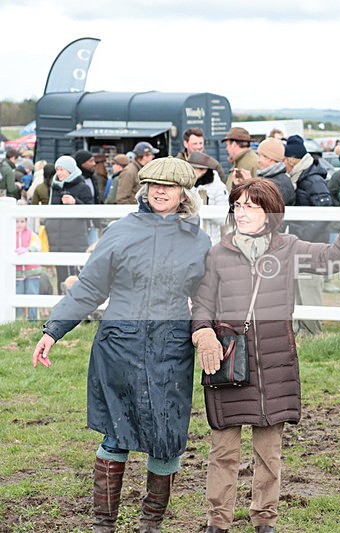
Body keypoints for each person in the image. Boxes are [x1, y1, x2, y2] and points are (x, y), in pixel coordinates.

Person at [31, 157, 212, 532]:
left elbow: (207, 297)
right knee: (116, 433)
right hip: (120, 347)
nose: (160, 191)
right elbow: (89, 288)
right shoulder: (120, 231)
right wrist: (53, 330)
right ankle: (104, 524)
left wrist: (210, 332)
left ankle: (150, 525)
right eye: (154, 185)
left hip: (170, 350)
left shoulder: (198, 241)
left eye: (169, 186)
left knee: (166, 437)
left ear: (184, 193)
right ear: (144, 189)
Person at [191, 178, 340, 533]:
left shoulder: (288, 247)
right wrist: (203, 332)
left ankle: (265, 520)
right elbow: (203, 302)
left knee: (268, 452)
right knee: (223, 450)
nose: (241, 213)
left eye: (251, 206)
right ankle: (218, 522)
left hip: (275, 365)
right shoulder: (217, 253)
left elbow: (331, 259)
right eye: (238, 206)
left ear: (270, 213)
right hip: (229, 362)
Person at [283, 134, 334, 336]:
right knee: (299, 286)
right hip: (303, 242)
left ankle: (313, 331)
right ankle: (303, 329)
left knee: (309, 287)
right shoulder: (302, 177)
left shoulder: (312, 180)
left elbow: (325, 209)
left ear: (291, 160)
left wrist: (303, 237)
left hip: (312, 244)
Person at [46, 156, 94, 292]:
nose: (59, 173)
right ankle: (61, 299)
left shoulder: (83, 187)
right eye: (57, 169)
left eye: (62, 169)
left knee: (77, 271)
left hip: (75, 236)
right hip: (56, 237)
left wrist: (75, 202)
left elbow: (91, 210)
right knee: (60, 272)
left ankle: (77, 300)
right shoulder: (54, 187)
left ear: (70, 170)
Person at [188, 151, 229, 245]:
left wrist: (206, 210)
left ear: (203, 170)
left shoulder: (219, 187)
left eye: (193, 169)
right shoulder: (191, 185)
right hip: (191, 240)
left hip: (211, 240)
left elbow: (224, 218)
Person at [254, 137, 295, 207]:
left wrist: (249, 186)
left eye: (259, 156)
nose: (258, 160)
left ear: (269, 158)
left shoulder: (278, 184)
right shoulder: (274, 178)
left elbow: (262, 206)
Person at [15, 216, 42, 321]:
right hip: (16, 273)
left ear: (26, 222)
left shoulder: (31, 234)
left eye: (22, 221)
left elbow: (38, 245)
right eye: (17, 221)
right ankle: (17, 320)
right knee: (17, 296)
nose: (19, 224)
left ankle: (32, 320)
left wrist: (28, 249)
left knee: (32, 294)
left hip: (32, 271)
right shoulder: (8, 235)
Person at [222, 127, 259, 192]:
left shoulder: (252, 162)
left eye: (227, 145)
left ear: (234, 144)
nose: (226, 148)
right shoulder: (240, 160)